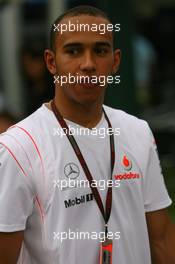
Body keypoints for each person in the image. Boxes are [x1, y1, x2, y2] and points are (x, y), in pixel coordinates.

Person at [0, 5, 174, 264]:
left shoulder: (137, 131)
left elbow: (160, 240)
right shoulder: (17, 147)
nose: (88, 64)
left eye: (100, 51)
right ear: (51, 61)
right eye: (73, 51)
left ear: (115, 62)